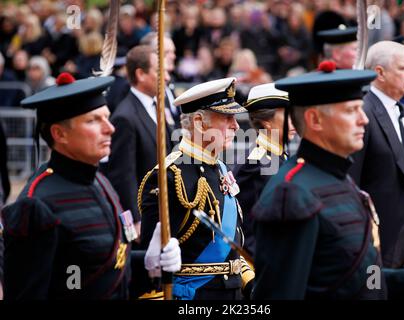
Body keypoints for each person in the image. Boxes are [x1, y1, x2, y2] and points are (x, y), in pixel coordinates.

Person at [251, 61, 404, 300]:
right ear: (315, 120)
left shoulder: (340, 178)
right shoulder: (292, 193)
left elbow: (364, 279)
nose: (363, 119)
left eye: (361, 109)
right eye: (350, 111)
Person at [1, 73, 181, 299]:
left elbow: (102, 266)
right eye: (93, 120)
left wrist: (149, 264)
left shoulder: (100, 181)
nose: (110, 128)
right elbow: (57, 287)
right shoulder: (36, 205)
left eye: (106, 117)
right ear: (60, 133)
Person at [139, 78, 254, 300]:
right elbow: (151, 264)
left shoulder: (219, 166)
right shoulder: (168, 177)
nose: (236, 125)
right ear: (200, 122)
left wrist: (249, 281)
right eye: (227, 118)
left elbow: (232, 243)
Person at [348, 41, 404, 299]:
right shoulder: (363, 112)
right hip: (379, 241)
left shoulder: (402, 109)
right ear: (380, 73)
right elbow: (352, 183)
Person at [102, 45, 174, 236]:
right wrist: (135, 219)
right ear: (141, 74)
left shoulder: (158, 105)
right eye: (161, 71)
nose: (166, 77)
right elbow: (123, 175)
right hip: (145, 217)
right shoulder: (125, 117)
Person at [233, 83, 296, 256]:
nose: (294, 121)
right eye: (287, 115)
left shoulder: (280, 156)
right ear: (267, 122)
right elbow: (246, 230)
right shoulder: (255, 164)